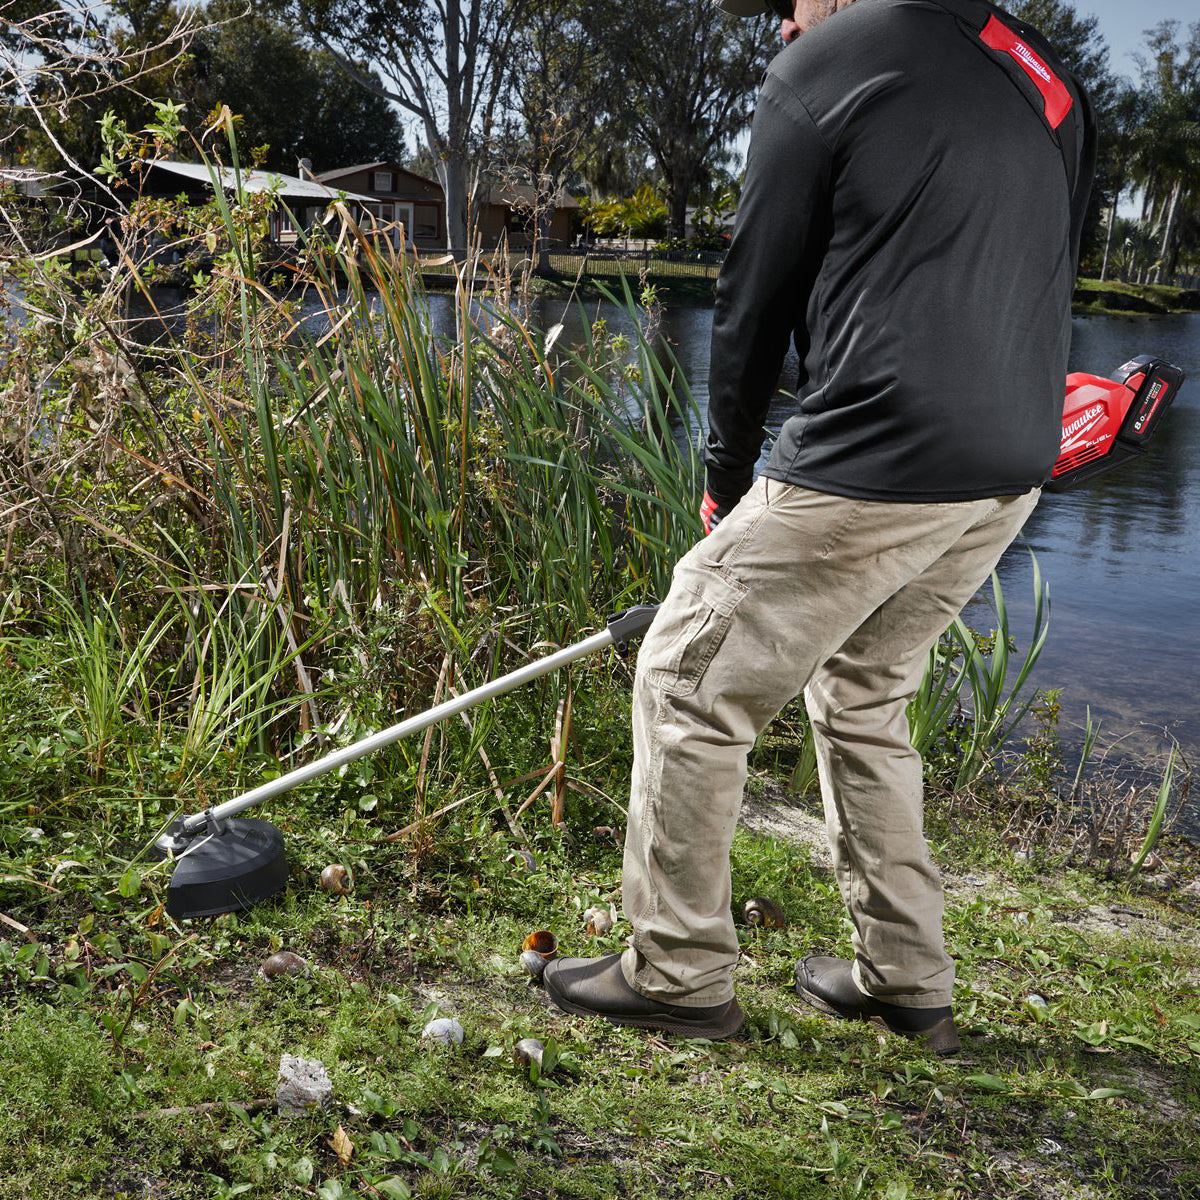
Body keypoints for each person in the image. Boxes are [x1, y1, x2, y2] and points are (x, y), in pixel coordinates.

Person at [543, 0, 1096, 1053]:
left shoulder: (825, 65)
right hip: (1012, 460)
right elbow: (1039, 276)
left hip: (879, 452)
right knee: (864, 687)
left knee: (685, 679)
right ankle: (903, 979)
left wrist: (724, 477)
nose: (779, 18)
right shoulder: (1042, 76)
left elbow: (754, 298)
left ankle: (676, 971)